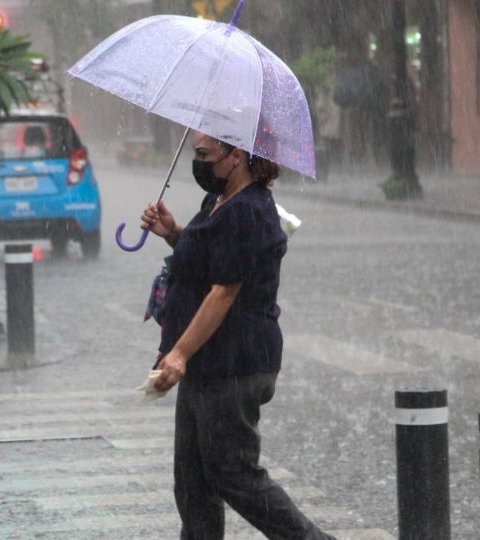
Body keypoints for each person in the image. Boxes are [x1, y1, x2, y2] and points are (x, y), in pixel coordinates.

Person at [139, 132, 336, 540]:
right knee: (192, 481)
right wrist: (173, 231)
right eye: (195, 152)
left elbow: (224, 291)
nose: (198, 162)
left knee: (233, 473)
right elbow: (206, 261)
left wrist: (178, 353)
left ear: (236, 157)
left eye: (204, 154)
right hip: (206, 362)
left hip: (235, 363)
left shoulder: (247, 211)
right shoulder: (218, 201)